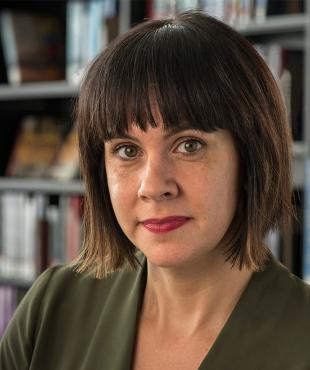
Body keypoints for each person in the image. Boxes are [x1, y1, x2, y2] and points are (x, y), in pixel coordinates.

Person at [1, 10, 310, 370]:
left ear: (250, 156)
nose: (152, 187)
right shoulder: (51, 306)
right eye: (127, 150)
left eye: (189, 145)